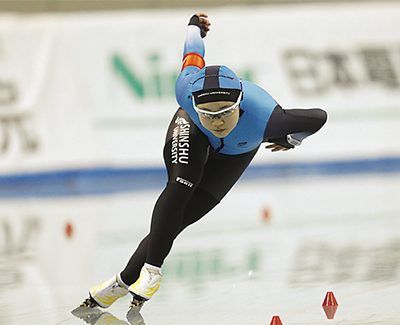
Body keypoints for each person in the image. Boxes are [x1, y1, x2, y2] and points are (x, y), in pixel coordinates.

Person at [75, 13, 327, 313]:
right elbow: (193, 52)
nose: (217, 121)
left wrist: (291, 138)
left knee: (179, 221)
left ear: (241, 105)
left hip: (236, 153)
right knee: (180, 186)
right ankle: (152, 271)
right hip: (191, 132)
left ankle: (122, 281)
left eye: (224, 112)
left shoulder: (271, 118)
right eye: (207, 112)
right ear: (194, 102)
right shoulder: (185, 90)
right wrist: (194, 24)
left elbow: (318, 117)